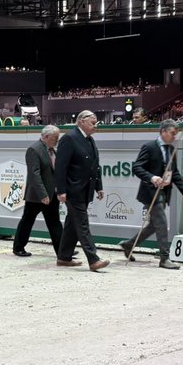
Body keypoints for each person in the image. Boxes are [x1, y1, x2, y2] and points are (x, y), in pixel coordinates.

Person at [120, 119, 183, 270]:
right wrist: (152, 177)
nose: (174, 137)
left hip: (164, 193)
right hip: (150, 193)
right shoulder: (149, 147)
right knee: (162, 223)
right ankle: (164, 258)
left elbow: (175, 173)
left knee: (154, 225)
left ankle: (129, 244)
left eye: (176, 134)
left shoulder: (171, 149)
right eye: (172, 133)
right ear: (163, 132)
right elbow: (136, 167)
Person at [55, 111, 108, 271]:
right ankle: (93, 259)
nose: (96, 125)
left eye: (96, 122)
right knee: (82, 224)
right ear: (81, 121)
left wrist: (99, 186)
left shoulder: (90, 140)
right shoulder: (69, 138)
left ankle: (63, 257)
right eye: (93, 122)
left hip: (86, 190)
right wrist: (61, 190)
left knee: (72, 223)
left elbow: (94, 166)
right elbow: (60, 167)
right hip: (73, 190)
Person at [13, 125, 63, 257]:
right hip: (36, 195)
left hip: (51, 194)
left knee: (54, 223)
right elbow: (34, 174)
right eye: (55, 138)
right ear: (46, 137)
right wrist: (43, 194)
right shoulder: (34, 150)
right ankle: (18, 247)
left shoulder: (53, 150)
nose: (57, 140)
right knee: (27, 221)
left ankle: (62, 250)